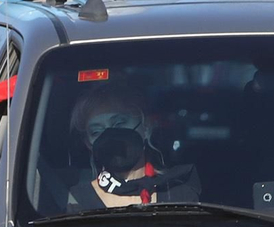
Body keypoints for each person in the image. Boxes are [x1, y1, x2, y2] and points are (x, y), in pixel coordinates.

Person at [63, 83, 199, 209]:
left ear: (146, 127)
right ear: (89, 144)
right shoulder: (78, 200)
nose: (110, 135)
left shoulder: (178, 194)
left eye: (119, 123)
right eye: (97, 131)